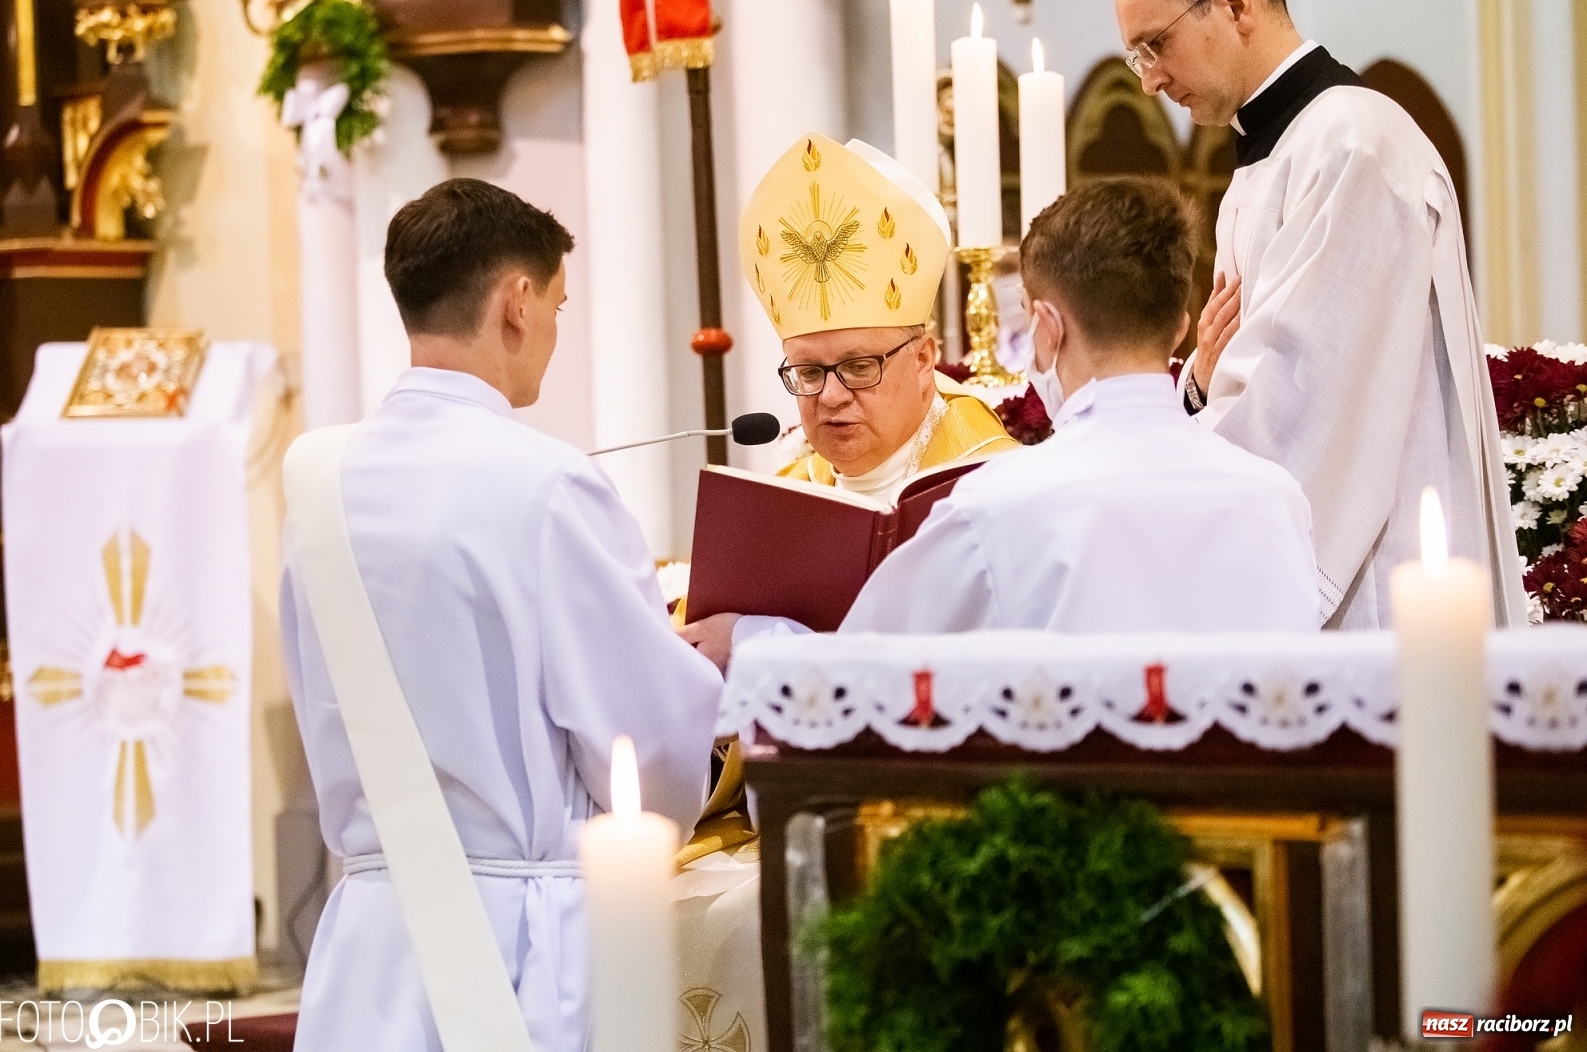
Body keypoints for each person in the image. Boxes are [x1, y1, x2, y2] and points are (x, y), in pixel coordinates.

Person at [280, 178, 721, 1052]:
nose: (554, 329)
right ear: (518, 302)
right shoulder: (547, 485)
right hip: (511, 948)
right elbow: (643, 746)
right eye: (558, 305)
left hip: (368, 943)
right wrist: (702, 672)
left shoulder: (319, 485)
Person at [682, 178, 1319, 669]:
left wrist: (752, 640)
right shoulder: (1277, 498)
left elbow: (871, 677)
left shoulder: (997, 503)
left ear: (1046, 328)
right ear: (1180, 327)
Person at [1108, 0, 1525, 628]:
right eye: (1138, 56)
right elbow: (1243, 366)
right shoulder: (1278, 152)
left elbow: (1298, 401)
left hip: (1377, 574)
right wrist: (1199, 388)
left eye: (1156, 44)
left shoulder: (1351, 144)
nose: (1150, 80)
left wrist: (1139, 490)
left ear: (1235, 4)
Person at [740, 133, 1016, 502]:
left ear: (922, 360)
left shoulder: (996, 484)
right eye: (809, 373)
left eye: (859, 366)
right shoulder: (786, 498)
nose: (831, 397)